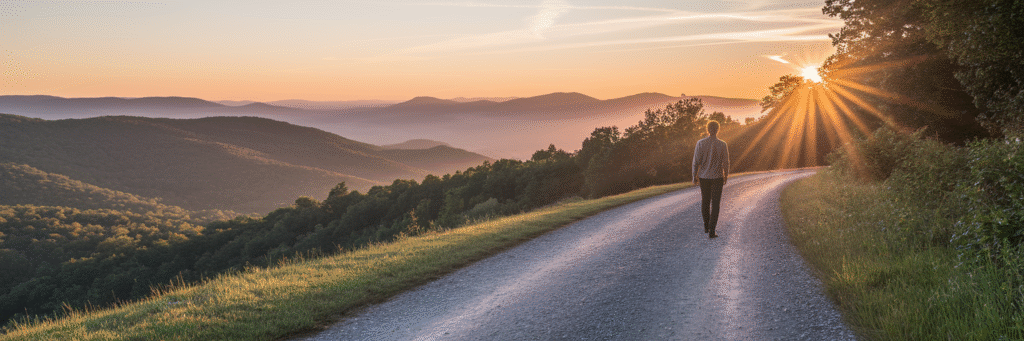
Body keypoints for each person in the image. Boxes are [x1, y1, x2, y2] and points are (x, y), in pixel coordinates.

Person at [692, 120, 729, 238]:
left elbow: (695, 162)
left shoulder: (700, 143)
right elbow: (726, 162)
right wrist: (726, 175)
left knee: (705, 201)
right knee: (716, 204)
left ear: (707, 129)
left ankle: (706, 226)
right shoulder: (722, 144)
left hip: (704, 177)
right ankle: (712, 230)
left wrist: (694, 176)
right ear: (718, 129)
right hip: (717, 177)